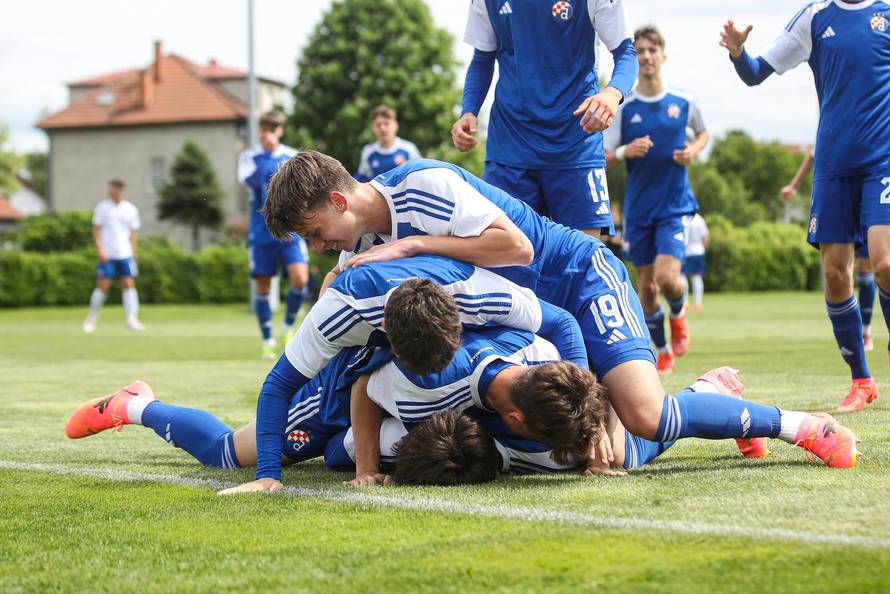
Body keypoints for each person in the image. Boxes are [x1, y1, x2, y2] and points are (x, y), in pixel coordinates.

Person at [262, 151, 862, 484]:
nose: (316, 247)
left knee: (642, 418)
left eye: (314, 232)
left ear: (339, 201)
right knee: (605, 454)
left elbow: (517, 250)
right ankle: (711, 392)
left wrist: (417, 246)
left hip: (575, 279)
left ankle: (796, 425)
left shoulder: (426, 186)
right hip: (524, 324)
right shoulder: (358, 252)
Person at [720, 2, 889, 412]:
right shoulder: (814, 17)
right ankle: (861, 381)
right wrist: (739, 51)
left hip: (883, 159)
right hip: (832, 162)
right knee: (835, 275)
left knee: (885, 264)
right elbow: (755, 74)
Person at [452, 0, 639, 237]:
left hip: (574, 145)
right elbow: (482, 58)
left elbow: (626, 52)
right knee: (506, 266)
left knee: (583, 259)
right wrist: (469, 111)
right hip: (510, 148)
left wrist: (613, 93)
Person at [604, 25, 710, 374]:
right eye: (639, 52)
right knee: (646, 286)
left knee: (667, 279)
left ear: (663, 56)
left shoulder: (683, 102)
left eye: (652, 50)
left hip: (675, 205)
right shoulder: (625, 106)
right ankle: (662, 350)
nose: (646, 57)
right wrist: (625, 150)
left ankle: (678, 316)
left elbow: (704, 132)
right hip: (639, 208)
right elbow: (604, 154)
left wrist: (693, 149)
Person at [783, 149, 877, 351]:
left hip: (872, 194)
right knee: (841, 274)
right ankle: (860, 341)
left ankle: (866, 331)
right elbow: (813, 153)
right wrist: (794, 185)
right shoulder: (834, 126)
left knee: (872, 272)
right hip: (843, 194)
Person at [238, 111, 309, 359]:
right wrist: (268, 155)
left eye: (275, 127)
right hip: (261, 232)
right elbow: (253, 184)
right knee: (263, 285)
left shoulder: (291, 155)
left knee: (299, 278)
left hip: (290, 230)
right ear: (260, 130)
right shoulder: (250, 157)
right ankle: (267, 338)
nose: (270, 131)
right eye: (266, 127)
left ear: (280, 130)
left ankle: (289, 328)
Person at [83, 180, 145, 333]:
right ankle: (92, 318)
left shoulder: (130, 209)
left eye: (114, 190)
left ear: (121, 190)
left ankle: (132, 319)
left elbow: (133, 234)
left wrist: (134, 254)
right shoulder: (102, 208)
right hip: (108, 255)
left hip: (125, 254)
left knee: (129, 284)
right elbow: (96, 231)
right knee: (103, 286)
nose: (111, 192)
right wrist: (100, 250)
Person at [355, 105, 422, 182]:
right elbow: (362, 177)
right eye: (378, 125)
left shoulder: (409, 149)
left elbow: (420, 176)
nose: (382, 128)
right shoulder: (368, 151)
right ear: (373, 128)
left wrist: (408, 168)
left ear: (396, 125)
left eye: (386, 124)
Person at [682, 213, 710, 312]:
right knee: (697, 277)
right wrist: (703, 248)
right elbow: (705, 237)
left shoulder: (683, 218)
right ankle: (698, 303)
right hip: (698, 251)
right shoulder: (699, 219)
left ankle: (684, 301)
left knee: (682, 277)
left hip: (685, 251)